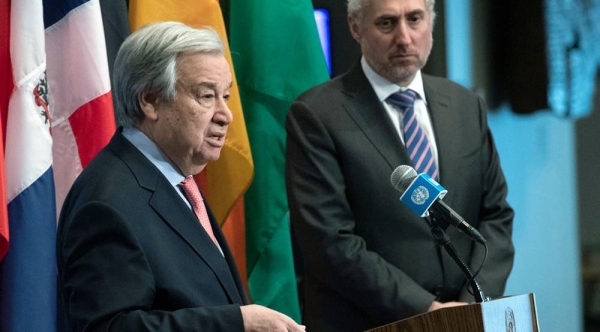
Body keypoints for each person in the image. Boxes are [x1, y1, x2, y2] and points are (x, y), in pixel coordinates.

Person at [57, 21, 305, 332]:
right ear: (149, 100)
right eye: (206, 96)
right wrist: (236, 323)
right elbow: (110, 327)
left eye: (225, 96)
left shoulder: (176, 179)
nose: (225, 114)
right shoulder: (107, 202)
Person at [285, 0, 515, 331]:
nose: (404, 38)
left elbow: (495, 216)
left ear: (430, 23)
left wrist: (467, 307)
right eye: (387, 23)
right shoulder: (317, 115)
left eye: (415, 19)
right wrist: (426, 310)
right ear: (355, 27)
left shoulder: (465, 104)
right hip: (370, 321)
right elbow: (330, 241)